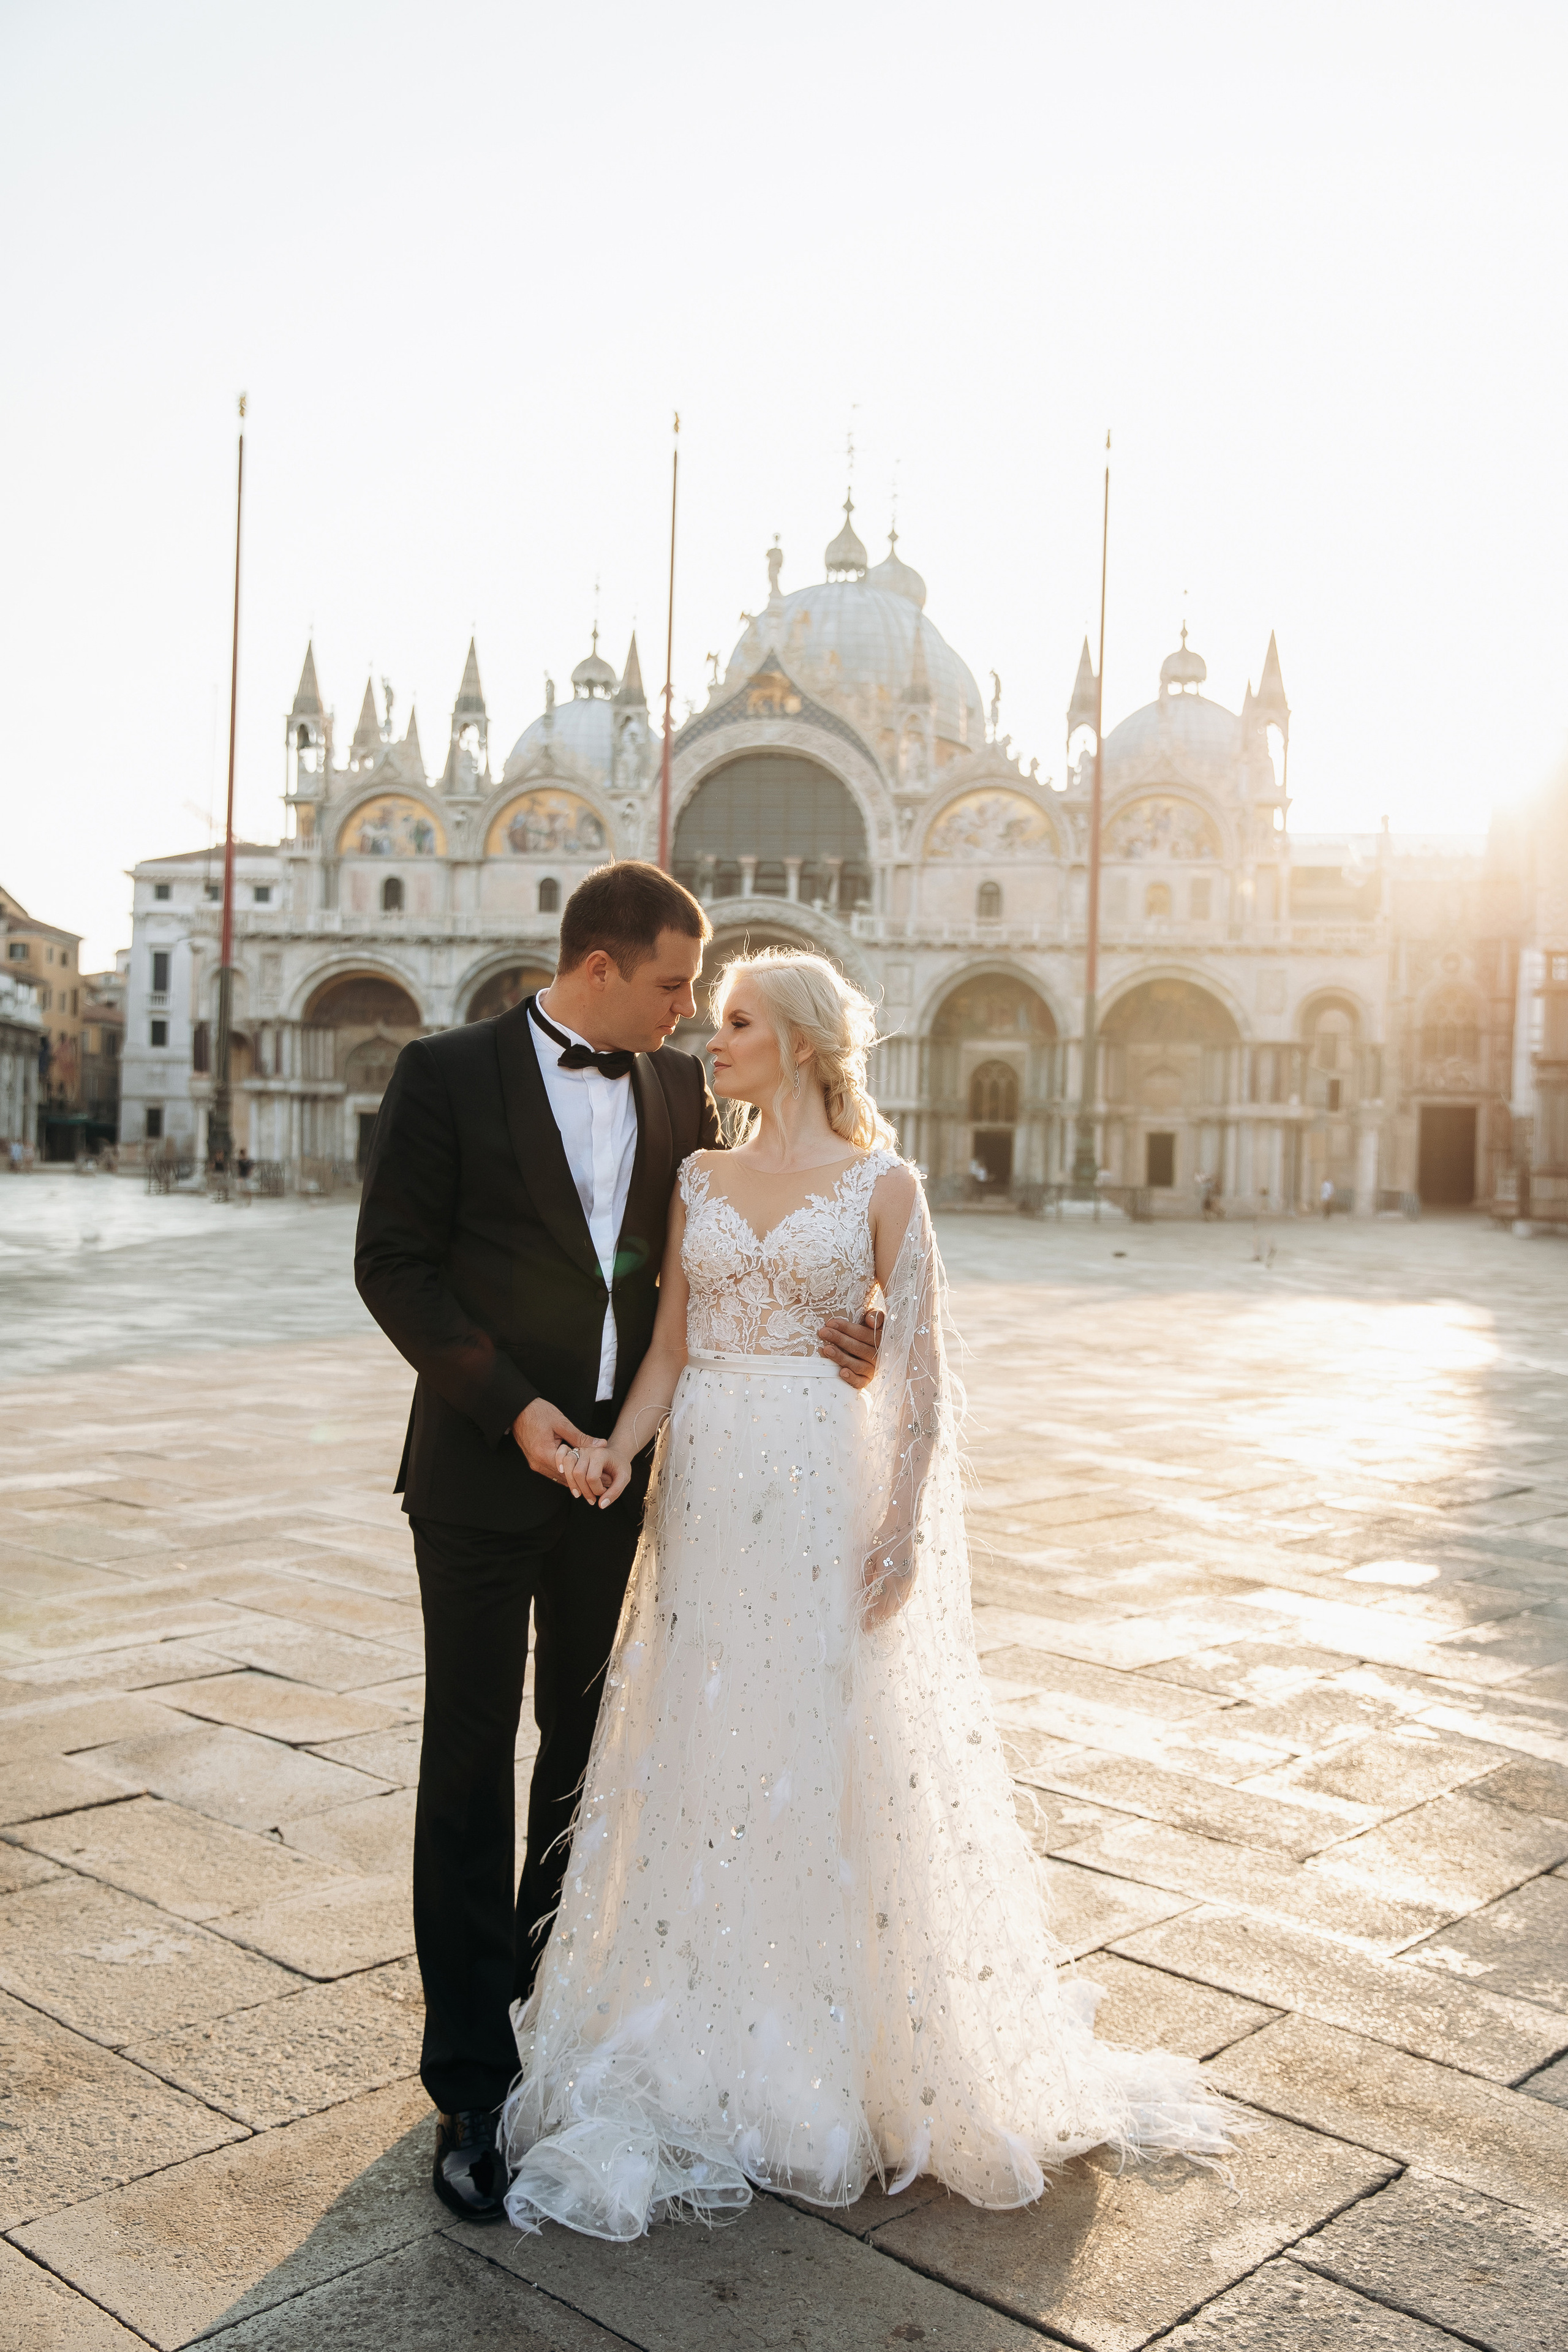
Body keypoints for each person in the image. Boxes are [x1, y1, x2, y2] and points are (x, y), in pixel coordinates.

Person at [499, 947, 1237, 2241]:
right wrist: (620, 1445)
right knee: (704, 1732)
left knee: (823, 1734)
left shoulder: (883, 1185)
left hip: (818, 1481)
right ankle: (693, 2012)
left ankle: (836, 2038)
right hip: (712, 1479)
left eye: (731, 1024)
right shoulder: (697, 1175)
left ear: (790, 1040)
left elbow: (920, 1375)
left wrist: (895, 1524)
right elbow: (670, 1339)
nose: (709, 1043)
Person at [353, 866, 881, 2226]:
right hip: (482, 1471)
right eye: (671, 987)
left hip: (620, 1475)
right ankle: (470, 2081)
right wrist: (514, 1411)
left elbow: (730, 1254)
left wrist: (849, 1325)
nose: (691, 1014)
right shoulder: (443, 1072)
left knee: (587, 1753)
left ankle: (554, 2024)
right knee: (468, 1760)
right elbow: (392, 1265)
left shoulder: (671, 1096)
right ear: (599, 966)